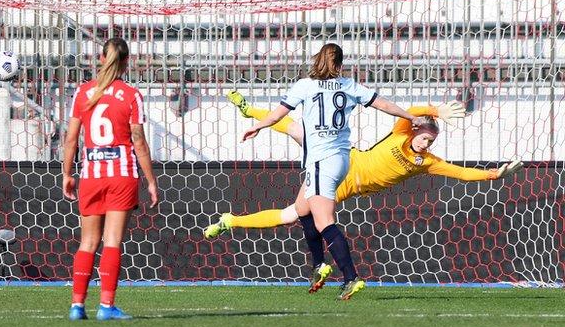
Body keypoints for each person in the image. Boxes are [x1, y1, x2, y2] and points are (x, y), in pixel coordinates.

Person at [205, 90, 523, 296]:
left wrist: (494, 174)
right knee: (294, 129)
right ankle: (250, 112)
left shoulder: (426, 163)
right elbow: (410, 110)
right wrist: (435, 110)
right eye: (424, 137)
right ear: (415, 131)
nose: (426, 143)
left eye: (430, 141)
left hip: (342, 185)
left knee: (292, 214)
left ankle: (232, 221)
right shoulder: (401, 133)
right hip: (344, 159)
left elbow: (462, 173)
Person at [238, 43, 424, 300]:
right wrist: (409, 116)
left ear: (317, 61)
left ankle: (351, 277)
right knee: (303, 210)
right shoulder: (349, 85)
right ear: (339, 64)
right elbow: (383, 104)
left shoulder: (305, 85)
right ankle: (318, 265)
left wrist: (257, 126)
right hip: (342, 159)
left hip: (320, 161)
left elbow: (277, 115)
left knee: (324, 221)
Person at [63, 37, 159, 321]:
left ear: (101, 59)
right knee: (113, 241)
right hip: (122, 174)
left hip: (91, 174)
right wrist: (151, 181)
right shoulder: (131, 95)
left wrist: (68, 174)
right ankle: (106, 306)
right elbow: (138, 142)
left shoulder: (83, 93)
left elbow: (71, 141)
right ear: (126, 63)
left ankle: (77, 306)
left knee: (87, 242)